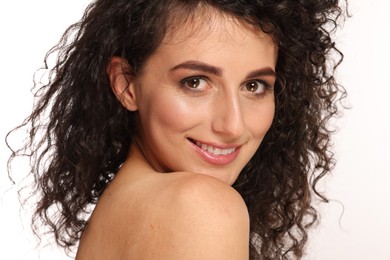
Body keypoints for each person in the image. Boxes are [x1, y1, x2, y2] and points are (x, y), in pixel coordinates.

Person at [7, 0, 347, 259]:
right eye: (195, 82)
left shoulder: (116, 212)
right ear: (127, 85)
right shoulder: (202, 205)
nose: (232, 125)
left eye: (255, 86)